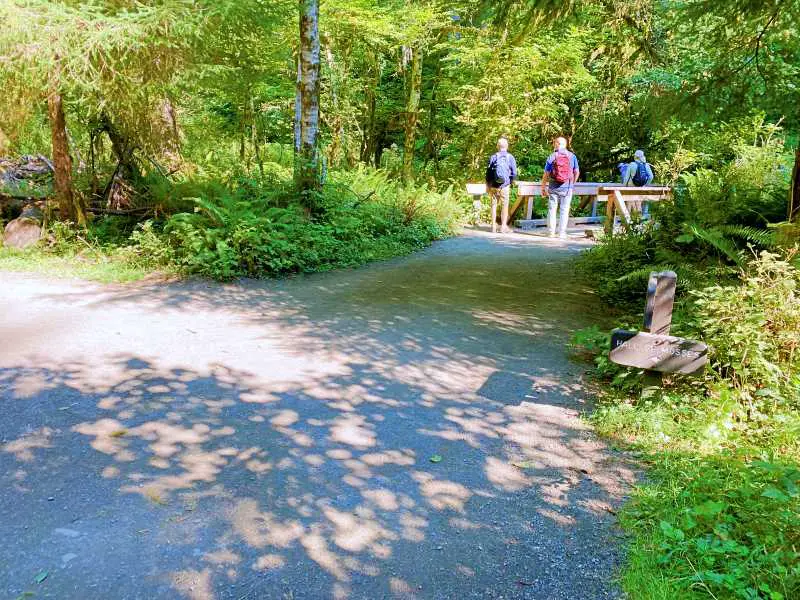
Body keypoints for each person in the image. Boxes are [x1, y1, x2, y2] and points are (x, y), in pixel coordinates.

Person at [541, 137, 580, 239]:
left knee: (552, 209)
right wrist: (572, 184)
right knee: (564, 209)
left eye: (555, 143)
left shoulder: (552, 156)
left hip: (553, 187)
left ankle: (551, 232)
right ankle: (562, 233)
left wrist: (543, 186)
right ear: (565, 145)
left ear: (558, 144)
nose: (554, 145)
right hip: (567, 188)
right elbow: (577, 172)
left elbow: (546, 173)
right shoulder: (572, 156)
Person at [485, 137, 518, 233]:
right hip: (505, 185)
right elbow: (514, 173)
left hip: (493, 186)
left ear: (497, 146)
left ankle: (493, 227)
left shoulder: (493, 157)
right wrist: (510, 181)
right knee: (504, 205)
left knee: (493, 205)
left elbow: (488, 172)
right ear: (507, 146)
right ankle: (503, 227)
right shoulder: (510, 157)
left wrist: (488, 184)